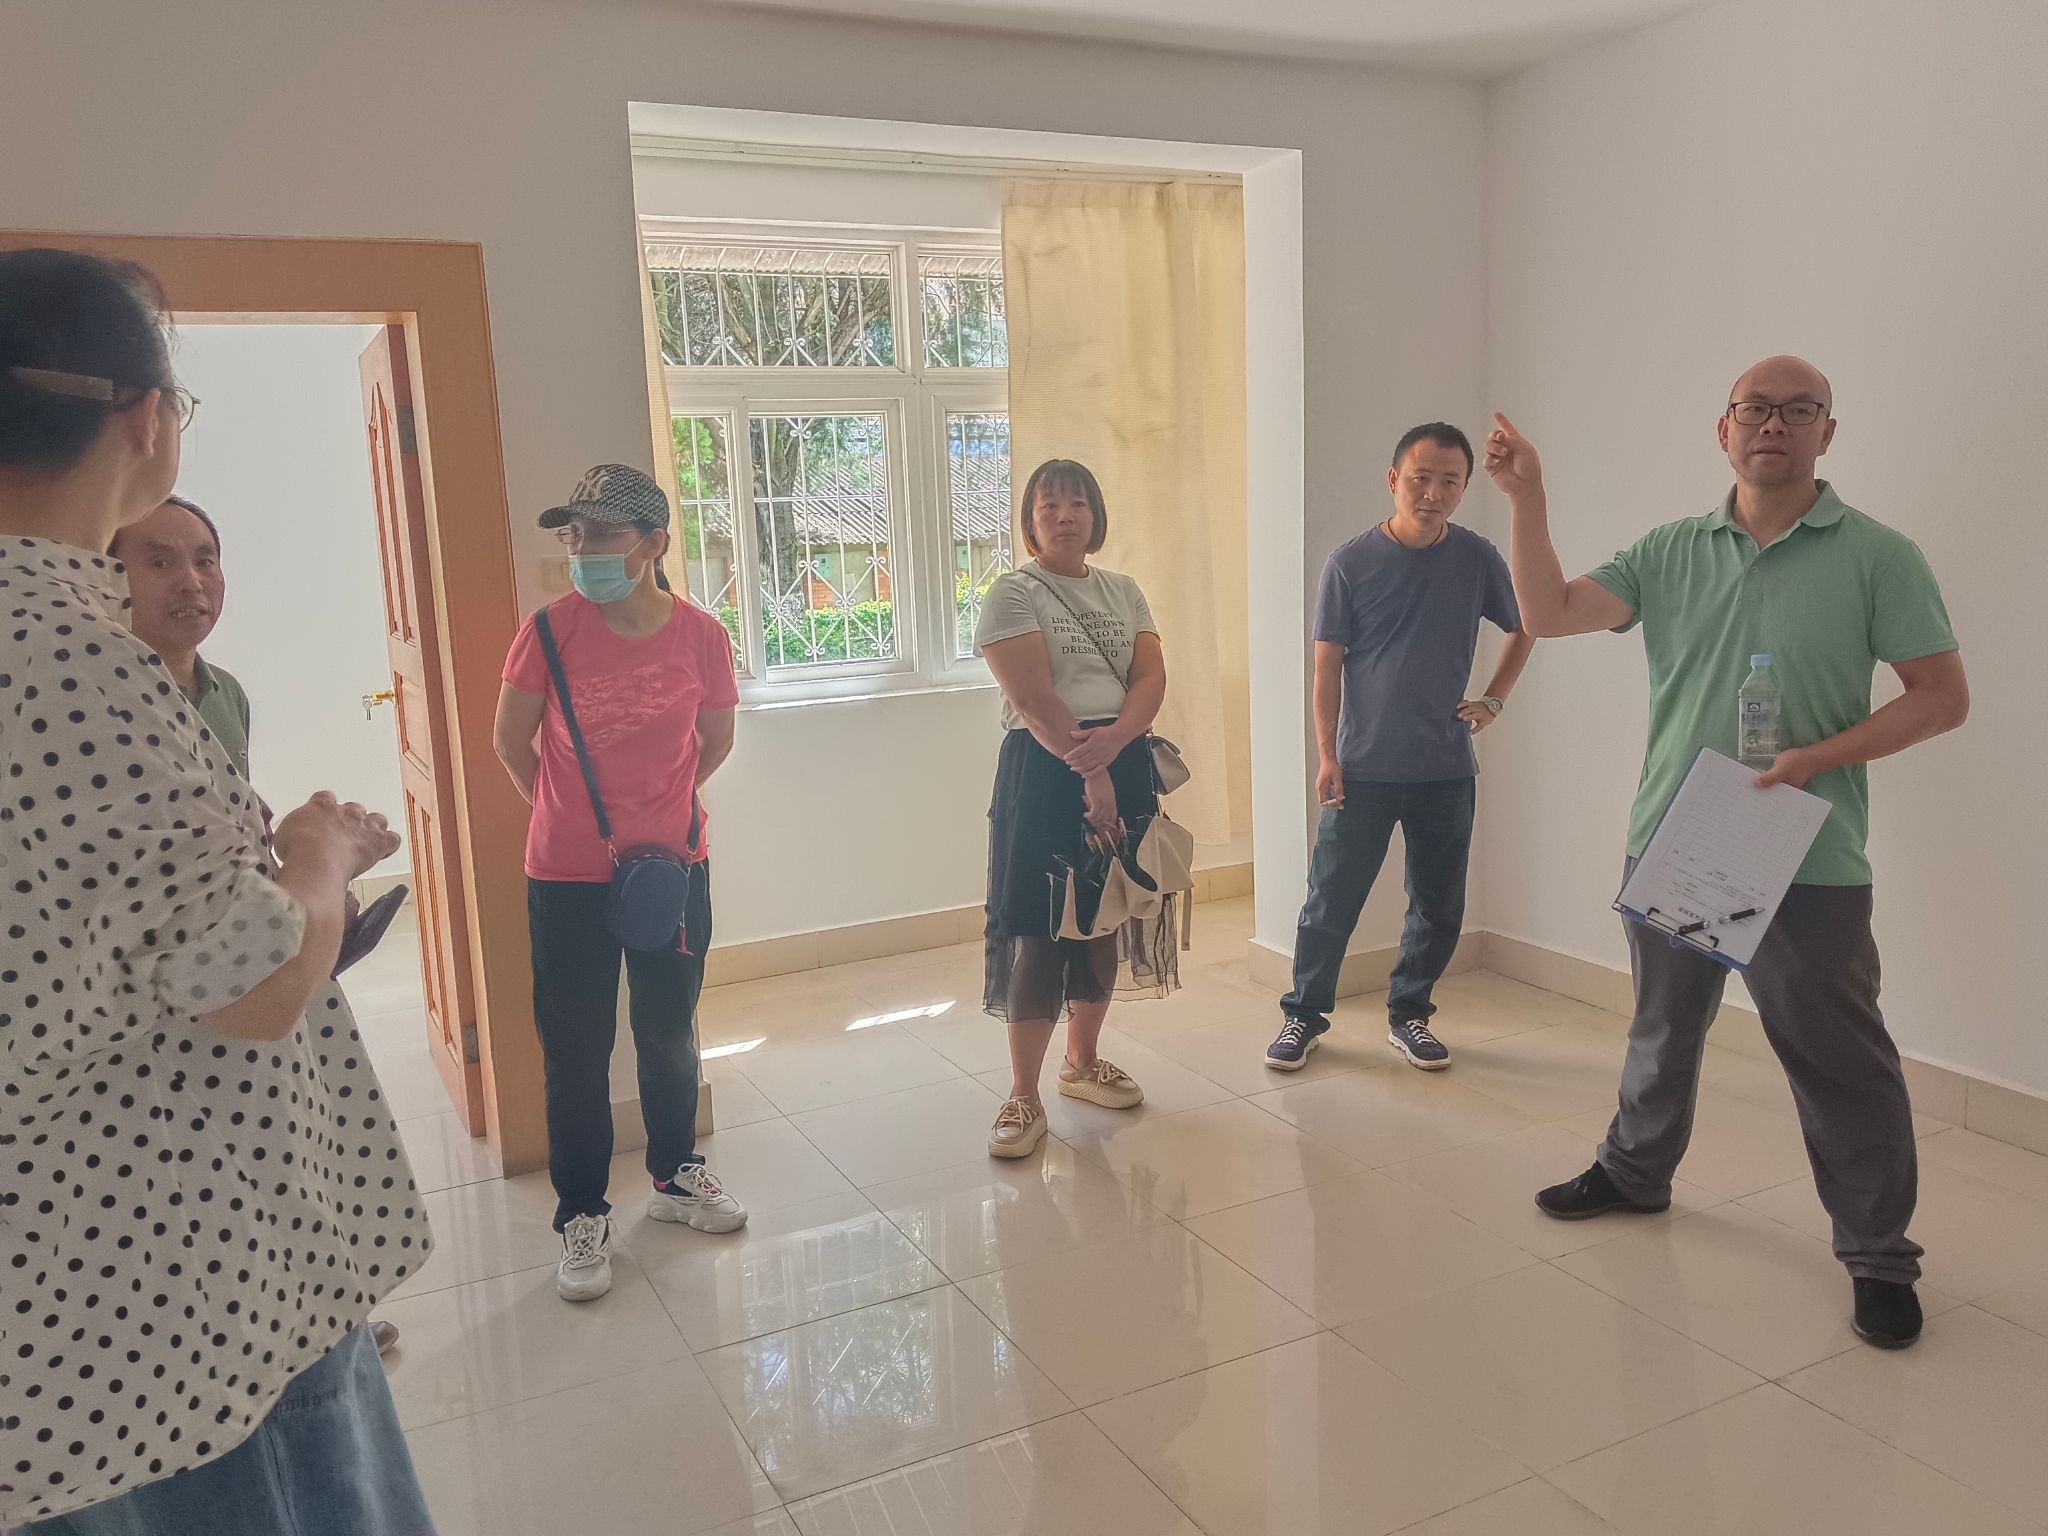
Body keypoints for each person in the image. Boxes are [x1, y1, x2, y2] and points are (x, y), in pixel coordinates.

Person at [0, 250, 434, 1530]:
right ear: (147, 418)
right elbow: (252, 984)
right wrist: (317, 850)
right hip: (167, 1284)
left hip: (96, 1279)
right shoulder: (70, 657)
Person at [1490, 356, 1969, 1350]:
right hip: (1683, 835)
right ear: (1724, 430)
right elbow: (1547, 615)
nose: (1774, 425)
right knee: (1663, 1028)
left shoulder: (1879, 556)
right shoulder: (1670, 550)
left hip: (1807, 851)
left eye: (1799, 410)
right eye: (1755, 409)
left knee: (1838, 1059)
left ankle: (1878, 1255)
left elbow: (1940, 698)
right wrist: (1528, 498)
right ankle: (1634, 1172)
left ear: (1827, 433)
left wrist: (1816, 761)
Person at [108, 493, 403, 1357]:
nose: (191, 581)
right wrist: (321, 861)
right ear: (105, 575)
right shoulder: (106, 709)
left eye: (205, 559)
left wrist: (316, 861)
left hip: (261, 961)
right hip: (182, 1009)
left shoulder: (223, 693)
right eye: (159, 561)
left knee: (302, 1158)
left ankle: (330, 1322)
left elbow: (234, 834)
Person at [493, 463, 745, 1304]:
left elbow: (715, 741)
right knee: (576, 1050)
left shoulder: (702, 636)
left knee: (669, 1031)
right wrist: (568, 814)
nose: (583, 550)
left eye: (602, 534)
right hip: (566, 875)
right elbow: (509, 741)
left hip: (674, 868)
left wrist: (659, 811)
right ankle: (581, 1213)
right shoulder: (548, 631)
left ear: (654, 545)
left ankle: (675, 1176)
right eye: (575, 534)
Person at [1265, 423, 1535, 1074]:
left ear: (1464, 489)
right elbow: (1326, 671)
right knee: (1331, 900)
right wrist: (1328, 756)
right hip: (1362, 769)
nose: (1433, 493)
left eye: (1449, 482)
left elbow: (1527, 623)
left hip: (1446, 768)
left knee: (1439, 905)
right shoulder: (1350, 564)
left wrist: (1494, 699)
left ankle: (1409, 1014)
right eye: (1421, 478)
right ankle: (1303, 1016)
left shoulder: (1476, 558)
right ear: (1394, 481)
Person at [974, 459, 1177, 1159]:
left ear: (1096, 516)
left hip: (1121, 754)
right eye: (1049, 505)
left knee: (1103, 915)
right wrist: (1093, 770)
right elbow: (1032, 696)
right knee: (1039, 928)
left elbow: (1150, 677)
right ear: (1030, 522)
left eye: (1078, 504)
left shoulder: (1123, 589)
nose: (1065, 516)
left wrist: (1117, 744)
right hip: (1045, 766)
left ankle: (1082, 1063)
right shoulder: (1014, 592)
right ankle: (1023, 1094)